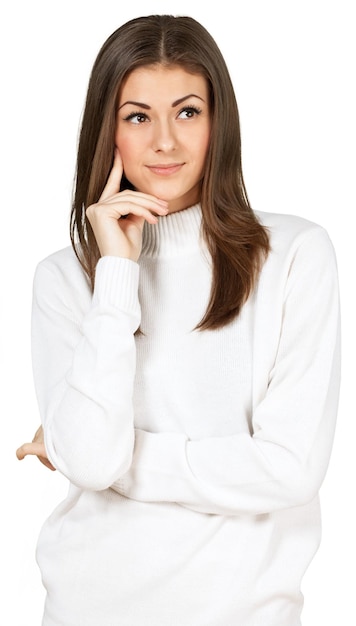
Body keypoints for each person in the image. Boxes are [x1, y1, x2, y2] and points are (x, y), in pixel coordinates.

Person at [16, 13, 341, 626]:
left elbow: (290, 469)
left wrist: (116, 456)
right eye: (138, 116)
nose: (165, 141)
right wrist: (117, 272)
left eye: (187, 111)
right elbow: (91, 464)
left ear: (220, 122)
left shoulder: (294, 253)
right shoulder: (64, 277)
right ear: (107, 130)